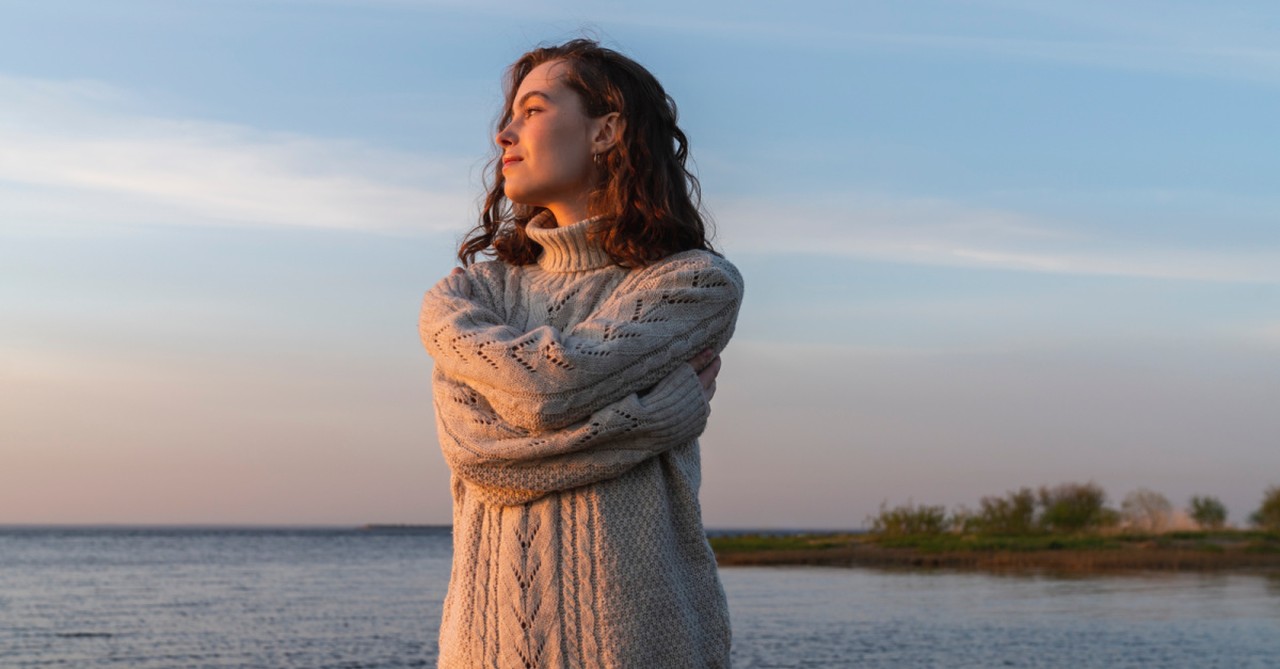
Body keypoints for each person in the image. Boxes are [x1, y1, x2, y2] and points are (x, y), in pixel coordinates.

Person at [419, 38, 744, 668]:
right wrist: (660, 414)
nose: (503, 135)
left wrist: (569, 399)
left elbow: (547, 392)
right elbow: (480, 450)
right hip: (482, 650)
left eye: (533, 110)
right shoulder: (467, 293)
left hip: (641, 647)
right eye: (507, 116)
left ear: (607, 131)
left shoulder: (693, 282)